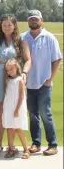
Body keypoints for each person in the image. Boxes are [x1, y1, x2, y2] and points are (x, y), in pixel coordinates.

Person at [0, 14, 31, 153]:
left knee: (12, 110)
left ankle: (13, 145)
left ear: (14, 26)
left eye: (9, 25)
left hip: (13, 79)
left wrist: (24, 73)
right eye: (4, 25)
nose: (7, 27)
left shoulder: (22, 42)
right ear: (1, 26)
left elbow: (28, 60)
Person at [21, 10, 62, 156]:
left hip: (44, 83)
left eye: (36, 19)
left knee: (46, 114)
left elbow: (57, 59)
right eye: (31, 19)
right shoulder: (23, 37)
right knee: (33, 114)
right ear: (28, 21)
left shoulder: (49, 38)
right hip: (28, 84)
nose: (33, 21)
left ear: (41, 21)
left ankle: (53, 144)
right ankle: (36, 143)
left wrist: (49, 80)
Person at [2, 59, 30, 159]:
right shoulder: (8, 80)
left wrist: (17, 109)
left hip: (17, 109)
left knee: (18, 129)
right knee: (9, 129)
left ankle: (26, 149)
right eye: (7, 70)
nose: (9, 71)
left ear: (16, 68)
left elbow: (21, 96)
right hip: (9, 108)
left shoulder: (19, 80)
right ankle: (11, 148)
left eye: (11, 69)